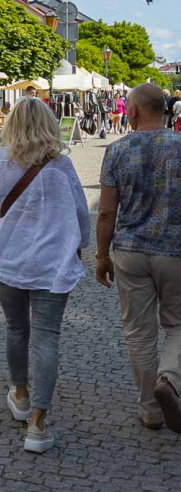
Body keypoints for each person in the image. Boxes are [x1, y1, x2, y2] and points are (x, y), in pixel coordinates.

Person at [0, 97, 89, 453]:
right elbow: (80, 213)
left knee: (16, 329)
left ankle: (22, 395)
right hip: (52, 263)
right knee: (47, 339)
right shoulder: (62, 166)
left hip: (10, 258)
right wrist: (82, 246)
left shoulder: (0, 159)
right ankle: (37, 426)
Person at [96, 83, 181, 433]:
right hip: (176, 251)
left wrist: (102, 255)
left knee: (138, 332)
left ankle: (149, 410)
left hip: (131, 251)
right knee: (177, 324)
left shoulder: (117, 151)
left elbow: (105, 213)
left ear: (131, 112)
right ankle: (171, 378)